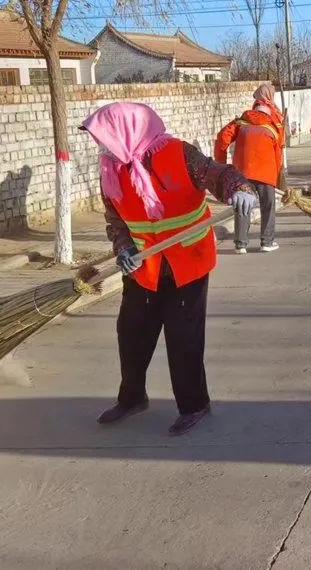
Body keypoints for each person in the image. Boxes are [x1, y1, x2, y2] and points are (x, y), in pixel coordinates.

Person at [81, 102, 255, 437]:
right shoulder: (112, 170)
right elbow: (115, 219)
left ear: (126, 132)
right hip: (144, 267)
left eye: (105, 138)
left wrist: (240, 189)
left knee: (183, 338)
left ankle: (194, 405)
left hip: (187, 263)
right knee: (131, 334)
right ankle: (132, 398)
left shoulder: (178, 153)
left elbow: (217, 174)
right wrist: (124, 248)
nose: (102, 147)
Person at [214, 84, 284, 254]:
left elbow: (222, 138)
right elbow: (278, 151)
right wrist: (277, 176)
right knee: (268, 205)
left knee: (242, 204)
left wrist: (221, 163)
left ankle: (240, 244)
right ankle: (267, 242)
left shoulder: (241, 122)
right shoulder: (274, 124)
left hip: (242, 173)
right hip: (266, 172)